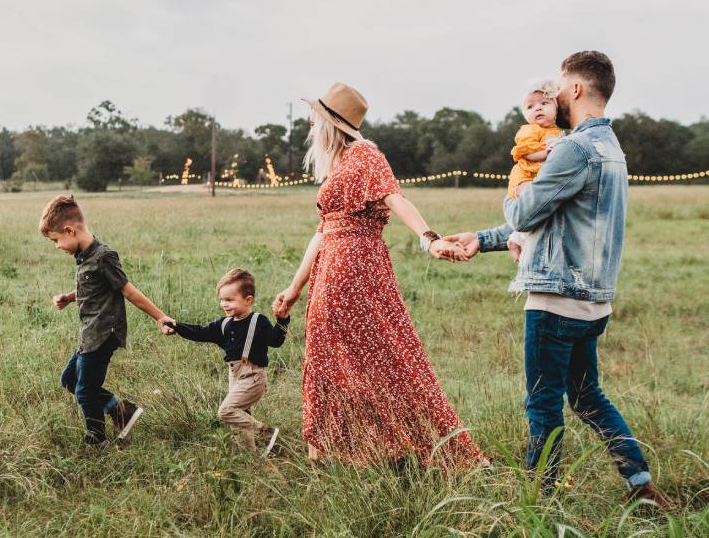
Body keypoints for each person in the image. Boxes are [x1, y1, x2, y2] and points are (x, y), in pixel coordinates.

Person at [443, 51, 670, 507]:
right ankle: (640, 484)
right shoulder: (611, 149)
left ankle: (540, 501)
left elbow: (527, 210)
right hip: (593, 301)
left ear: (578, 89)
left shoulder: (572, 148)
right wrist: (483, 239)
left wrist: (518, 192)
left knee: (543, 404)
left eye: (560, 88)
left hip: (555, 300)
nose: (555, 96)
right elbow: (554, 219)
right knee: (587, 398)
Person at [273, 82, 484, 468]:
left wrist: (429, 239)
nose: (308, 124)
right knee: (330, 359)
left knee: (383, 357)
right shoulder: (338, 164)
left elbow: (395, 197)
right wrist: (294, 287)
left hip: (354, 268)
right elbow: (322, 232)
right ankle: (334, 450)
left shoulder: (365, 155)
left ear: (331, 123)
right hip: (331, 269)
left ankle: (406, 446)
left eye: (314, 118)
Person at [40, 194, 174, 448]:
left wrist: (160, 317)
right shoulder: (83, 257)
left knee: (85, 390)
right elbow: (92, 290)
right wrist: (69, 297)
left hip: (103, 334)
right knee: (69, 380)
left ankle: (97, 439)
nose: (57, 246)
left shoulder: (103, 256)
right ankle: (121, 410)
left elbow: (128, 290)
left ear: (69, 230)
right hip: (88, 334)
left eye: (56, 240)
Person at [168, 268, 288, 456]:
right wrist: (176, 325)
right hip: (234, 375)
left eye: (230, 300)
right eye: (222, 300)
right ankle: (250, 457)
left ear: (248, 300)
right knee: (240, 420)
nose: (224, 304)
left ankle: (265, 432)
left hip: (253, 376)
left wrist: (282, 320)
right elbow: (199, 332)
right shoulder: (224, 324)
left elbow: (276, 341)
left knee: (226, 411)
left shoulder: (259, 321)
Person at [506, 79, 565, 263]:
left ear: (556, 108)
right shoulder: (529, 130)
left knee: (540, 209)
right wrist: (544, 153)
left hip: (538, 176)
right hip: (525, 175)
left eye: (544, 103)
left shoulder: (559, 132)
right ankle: (518, 240)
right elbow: (525, 151)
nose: (537, 108)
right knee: (532, 202)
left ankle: (516, 239)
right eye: (530, 107)